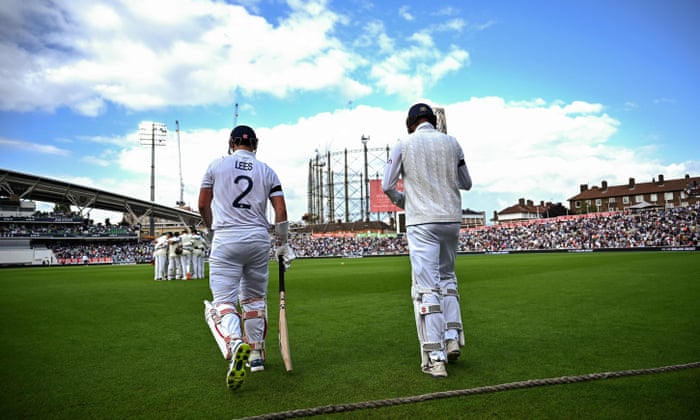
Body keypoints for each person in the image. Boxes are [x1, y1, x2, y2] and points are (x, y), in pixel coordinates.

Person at [199, 124, 294, 391]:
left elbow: (203, 204)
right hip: (257, 238)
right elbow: (281, 210)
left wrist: (210, 229)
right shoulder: (267, 170)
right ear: (256, 143)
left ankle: (234, 342)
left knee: (224, 301)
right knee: (253, 300)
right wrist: (282, 244)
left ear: (230, 143)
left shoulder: (216, 166)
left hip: (226, 237)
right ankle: (255, 357)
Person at [382, 103, 472, 378]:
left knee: (427, 287)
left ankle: (435, 357)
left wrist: (403, 201)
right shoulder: (452, 142)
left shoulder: (403, 144)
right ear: (433, 121)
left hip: (421, 220)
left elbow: (387, 184)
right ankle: (452, 336)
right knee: (448, 278)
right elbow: (466, 182)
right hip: (451, 218)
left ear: (410, 123)